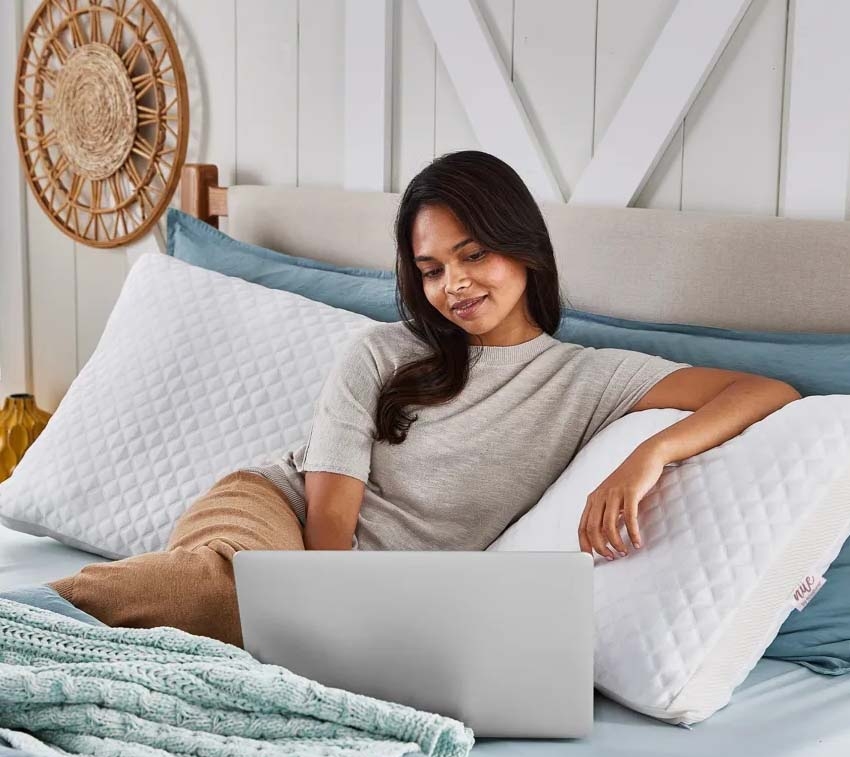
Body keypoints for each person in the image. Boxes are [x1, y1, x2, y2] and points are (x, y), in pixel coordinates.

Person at [48, 150, 801, 648]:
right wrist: (333, 631)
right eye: (433, 269)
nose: (455, 285)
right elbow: (329, 524)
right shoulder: (381, 353)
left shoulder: (589, 379)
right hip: (275, 515)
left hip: (377, 601)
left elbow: (767, 388)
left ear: (524, 248)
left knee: (239, 636)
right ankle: (34, 616)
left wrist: (651, 452)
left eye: (474, 255)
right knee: (243, 597)